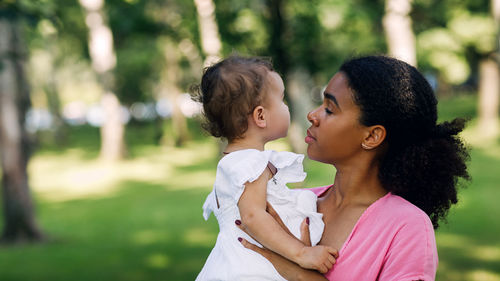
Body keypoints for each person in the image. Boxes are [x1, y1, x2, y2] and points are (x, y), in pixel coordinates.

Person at [237, 55, 470, 281]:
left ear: (372, 136)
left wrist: (299, 274)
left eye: (330, 109)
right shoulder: (290, 202)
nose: (313, 115)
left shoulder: (407, 228)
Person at [192, 56, 338, 281]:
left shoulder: (237, 162)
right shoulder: (250, 164)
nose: (286, 106)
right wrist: (302, 253)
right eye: (282, 100)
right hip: (250, 269)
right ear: (260, 116)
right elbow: (252, 216)